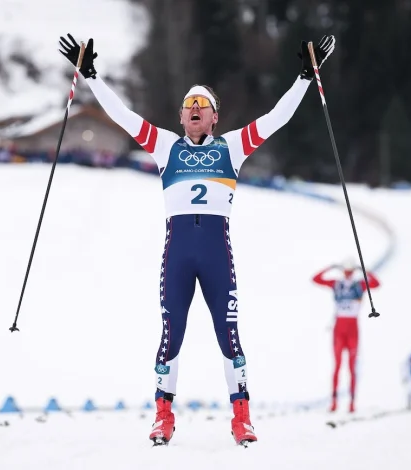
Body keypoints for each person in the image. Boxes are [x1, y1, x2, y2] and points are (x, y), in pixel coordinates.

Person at [59, 33, 335, 446]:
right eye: (187, 105)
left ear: (214, 117)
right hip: (178, 255)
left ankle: (241, 417)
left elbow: (276, 118)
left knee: (229, 334)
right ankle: (163, 416)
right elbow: (123, 116)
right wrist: (91, 76)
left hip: (216, 255)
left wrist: (303, 78)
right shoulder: (166, 146)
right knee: (172, 333)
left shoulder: (233, 147)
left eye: (200, 105)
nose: (192, 109)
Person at [312, 258, 380, 413]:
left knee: (351, 366)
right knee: (337, 366)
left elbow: (376, 284)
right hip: (339, 328)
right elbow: (316, 279)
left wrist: (364, 270)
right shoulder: (337, 284)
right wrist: (330, 266)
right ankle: (334, 402)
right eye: (346, 271)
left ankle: (352, 402)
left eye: (351, 272)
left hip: (352, 328)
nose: (348, 275)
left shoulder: (359, 285)